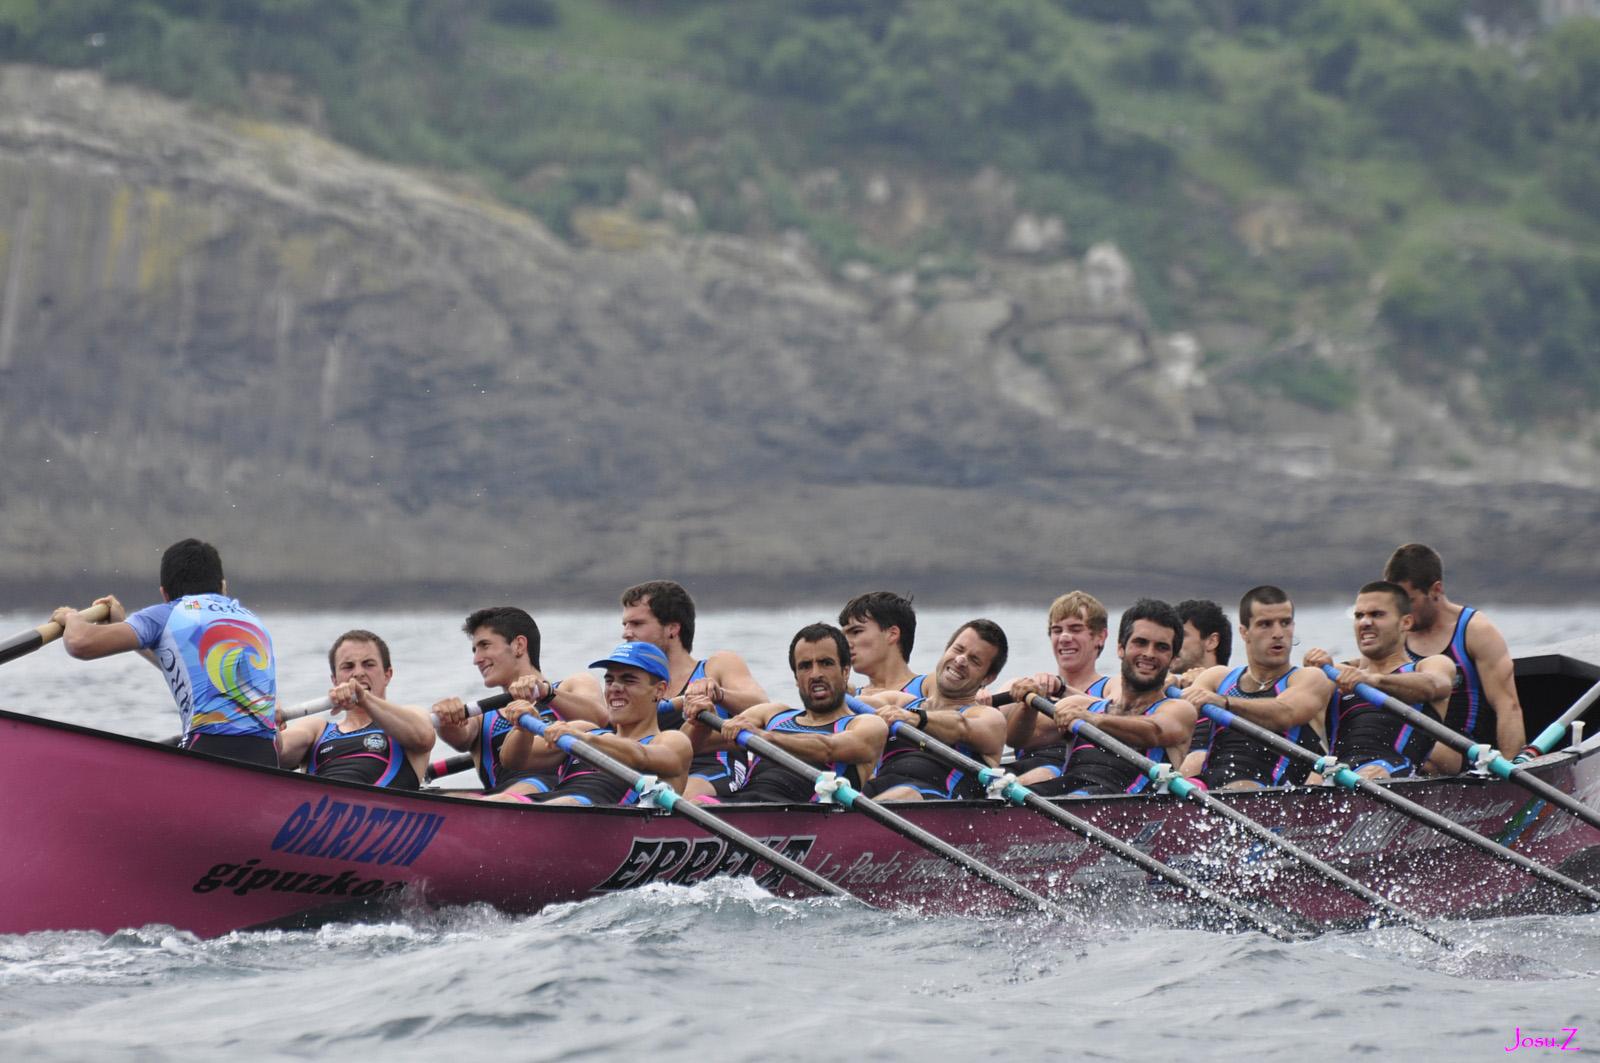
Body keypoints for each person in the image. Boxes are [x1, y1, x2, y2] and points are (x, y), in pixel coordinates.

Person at [51, 538, 279, 766]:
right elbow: (185, 668)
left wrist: (71, 617)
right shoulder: (251, 621)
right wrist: (124, 625)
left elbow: (81, 642)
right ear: (223, 586)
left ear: (165, 594)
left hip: (205, 752)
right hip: (267, 758)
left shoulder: (164, 614)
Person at [1012, 599, 1196, 797]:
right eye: (1140, 643)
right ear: (1120, 649)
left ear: (1174, 659)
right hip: (1069, 795)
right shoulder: (1082, 706)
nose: (1149, 654)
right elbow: (1020, 739)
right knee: (1005, 798)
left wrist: (1094, 720)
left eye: (1161, 647)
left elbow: (1153, 731)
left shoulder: (1179, 710)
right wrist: (1028, 707)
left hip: (1126, 809)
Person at [487, 641, 692, 805]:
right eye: (610, 680)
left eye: (629, 680)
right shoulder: (581, 728)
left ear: (659, 690)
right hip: (553, 809)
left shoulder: (672, 741)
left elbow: (640, 756)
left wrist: (584, 740)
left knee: (566, 803)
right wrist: (522, 727)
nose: (615, 688)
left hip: (603, 823)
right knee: (503, 799)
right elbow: (513, 761)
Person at [431, 606, 604, 796]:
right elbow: (459, 737)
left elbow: (600, 720)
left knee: (538, 782)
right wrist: (446, 715)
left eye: (485, 646)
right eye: (474, 650)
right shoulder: (481, 719)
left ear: (518, 646)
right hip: (507, 805)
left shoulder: (573, 685)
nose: (476, 659)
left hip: (574, 796)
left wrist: (545, 693)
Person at [619, 580, 768, 799]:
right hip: (656, 769)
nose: (626, 633)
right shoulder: (629, 683)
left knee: (679, 796)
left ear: (672, 629)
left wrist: (719, 694)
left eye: (637, 624)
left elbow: (762, 706)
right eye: (625, 625)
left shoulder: (717, 666)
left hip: (713, 767)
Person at [709, 623, 889, 803]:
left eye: (826, 663)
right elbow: (698, 744)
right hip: (739, 806)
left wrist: (766, 737)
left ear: (845, 671)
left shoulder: (868, 724)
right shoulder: (771, 714)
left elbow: (828, 749)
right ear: (796, 678)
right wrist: (703, 709)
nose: (815, 674)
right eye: (805, 666)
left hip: (801, 815)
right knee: (696, 802)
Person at [1177, 587, 1333, 788]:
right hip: (1207, 788)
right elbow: (1180, 721)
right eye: (1265, 624)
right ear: (1244, 632)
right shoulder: (1216, 678)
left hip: (1272, 794)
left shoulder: (1309, 678)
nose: (1278, 633)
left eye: (1285, 623)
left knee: (1238, 787)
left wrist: (1224, 702)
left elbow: (1285, 713)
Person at [1384, 542, 1526, 762]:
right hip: (1409, 750)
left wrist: (1511, 770)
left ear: (1436, 590)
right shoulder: (1394, 630)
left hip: (1465, 752)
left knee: (1430, 754)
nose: (1402, 611)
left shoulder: (1476, 630)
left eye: (1409, 601)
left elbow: (1508, 706)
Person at [1306, 581, 1456, 780]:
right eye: (1359, 616)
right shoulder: (1337, 673)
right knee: (1313, 779)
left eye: (1377, 615)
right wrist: (1310, 674)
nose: (1365, 622)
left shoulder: (1431, 665)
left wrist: (1373, 680)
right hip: (1338, 772)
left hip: (1391, 770)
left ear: (1406, 623)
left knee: (1371, 774)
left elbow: (1436, 685)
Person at [865, 619, 1010, 800]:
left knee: (903, 795)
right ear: (946, 651)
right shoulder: (900, 701)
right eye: (958, 649)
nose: (960, 660)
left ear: (988, 678)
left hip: (935, 800)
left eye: (974, 660)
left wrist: (916, 719)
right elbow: (849, 707)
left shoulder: (988, 717)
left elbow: (960, 726)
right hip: (878, 792)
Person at [276, 630, 435, 789]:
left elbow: (424, 738)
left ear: (387, 675)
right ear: (335, 680)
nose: (358, 673)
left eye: (369, 664)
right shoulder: (316, 730)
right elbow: (273, 753)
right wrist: (266, 720)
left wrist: (364, 699)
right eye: (348, 666)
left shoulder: (411, 715)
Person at [997, 591, 1111, 783]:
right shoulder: (1022, 686)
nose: (1064, 637)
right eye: (1057, 630)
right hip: (1022, 770)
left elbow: (1124, 715)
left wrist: (1062, 689)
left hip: (1070, 777)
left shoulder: (1110, 688)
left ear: (1100, 636)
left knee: (1046, 773)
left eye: (1075, 629)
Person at [1173, 598, 1234, 776]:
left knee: (1195, 760)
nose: (1171, 643)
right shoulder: (1170, 687)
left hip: (1210, 774)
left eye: (1182, 635)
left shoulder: (1234, 685)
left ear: (1211, 641)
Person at [838, 591, 924, 697]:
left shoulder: (929, 686)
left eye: (856, 632)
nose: (845, 644)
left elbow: (950, 712)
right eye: (843, 636)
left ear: (892, 634)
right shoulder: (848, 697)